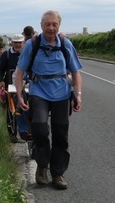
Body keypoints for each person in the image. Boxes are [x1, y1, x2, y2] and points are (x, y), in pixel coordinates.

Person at [14, 10, 82, 190]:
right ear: (41, 25)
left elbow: (75, 72)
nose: (51, 28)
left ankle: (58, 173)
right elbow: (20, 73)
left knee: (60, 133)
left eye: (54, 24)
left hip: (62, 93)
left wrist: (78, 94)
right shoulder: (32, 45)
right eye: (47, 24)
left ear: (59, 25)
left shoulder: (66, 44)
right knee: (39, 127)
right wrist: (20, 95)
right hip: (39, 91)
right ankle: (42, 166)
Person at [0, 34, 29, 140]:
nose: (18, 44)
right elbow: (0, 69)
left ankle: (28, 130)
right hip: (11, 85)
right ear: (12, 43)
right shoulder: (7, 55)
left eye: (20, 42)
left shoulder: (29, 54)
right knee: (12, 109)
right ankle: (12, 134)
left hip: (27, 84)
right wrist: (0, 81)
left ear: (23, 43)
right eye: (16, 42)